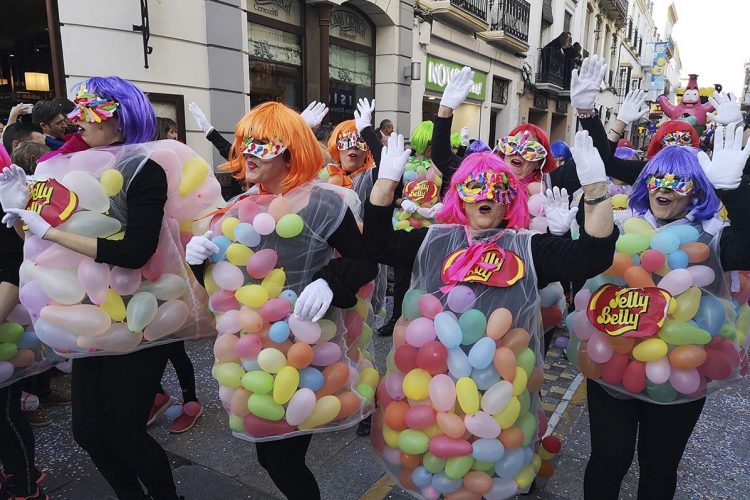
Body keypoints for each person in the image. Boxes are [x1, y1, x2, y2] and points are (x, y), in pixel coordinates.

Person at [0, 76, 221, 500]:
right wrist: (22, 212)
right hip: (91, 315)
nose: (75, 119)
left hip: (142, 317)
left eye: (89, 109)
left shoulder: (144, 168)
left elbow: (136, 250)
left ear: (119, 116)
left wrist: (49, 230)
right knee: (87, 432)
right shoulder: (65, 167)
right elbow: (51, 253)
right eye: (75, 109)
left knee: (123, 431)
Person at [364, 132, 616, 498]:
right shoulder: (433, 240)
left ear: (510, 199)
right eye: (472, 186)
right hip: (436, 388)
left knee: (489, 474)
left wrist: (595, 189)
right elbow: (377, 245)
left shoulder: (528, 247)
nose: (483, 195)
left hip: (501, 394)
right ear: (459, 197)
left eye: (494, 188)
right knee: (441, 473)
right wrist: (385, 184)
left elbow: (593, 257)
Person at [569, 54, 750, 500]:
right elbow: (603, 168)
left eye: (680, 181)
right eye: (658, 178)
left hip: (682, 369)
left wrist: (735, 191)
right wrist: (591, 117)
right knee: (608, 459)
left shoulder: (712, 234)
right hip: (614, 361)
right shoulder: (622, 224)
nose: (664, 187)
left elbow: (746, 245)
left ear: (699, 189)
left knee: (658, 468)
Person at [186, 101, 378, 500]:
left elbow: (364, 262)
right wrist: (200, 262)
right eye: (244, 144)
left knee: (282, 459)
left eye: (260, 145)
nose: (245, 154)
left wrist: (328, 282)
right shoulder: (239, 207)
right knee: (269, 455)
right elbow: (230, 284)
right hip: (256, 346)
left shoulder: (325, 203)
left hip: (310, 347)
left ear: (290, 150)